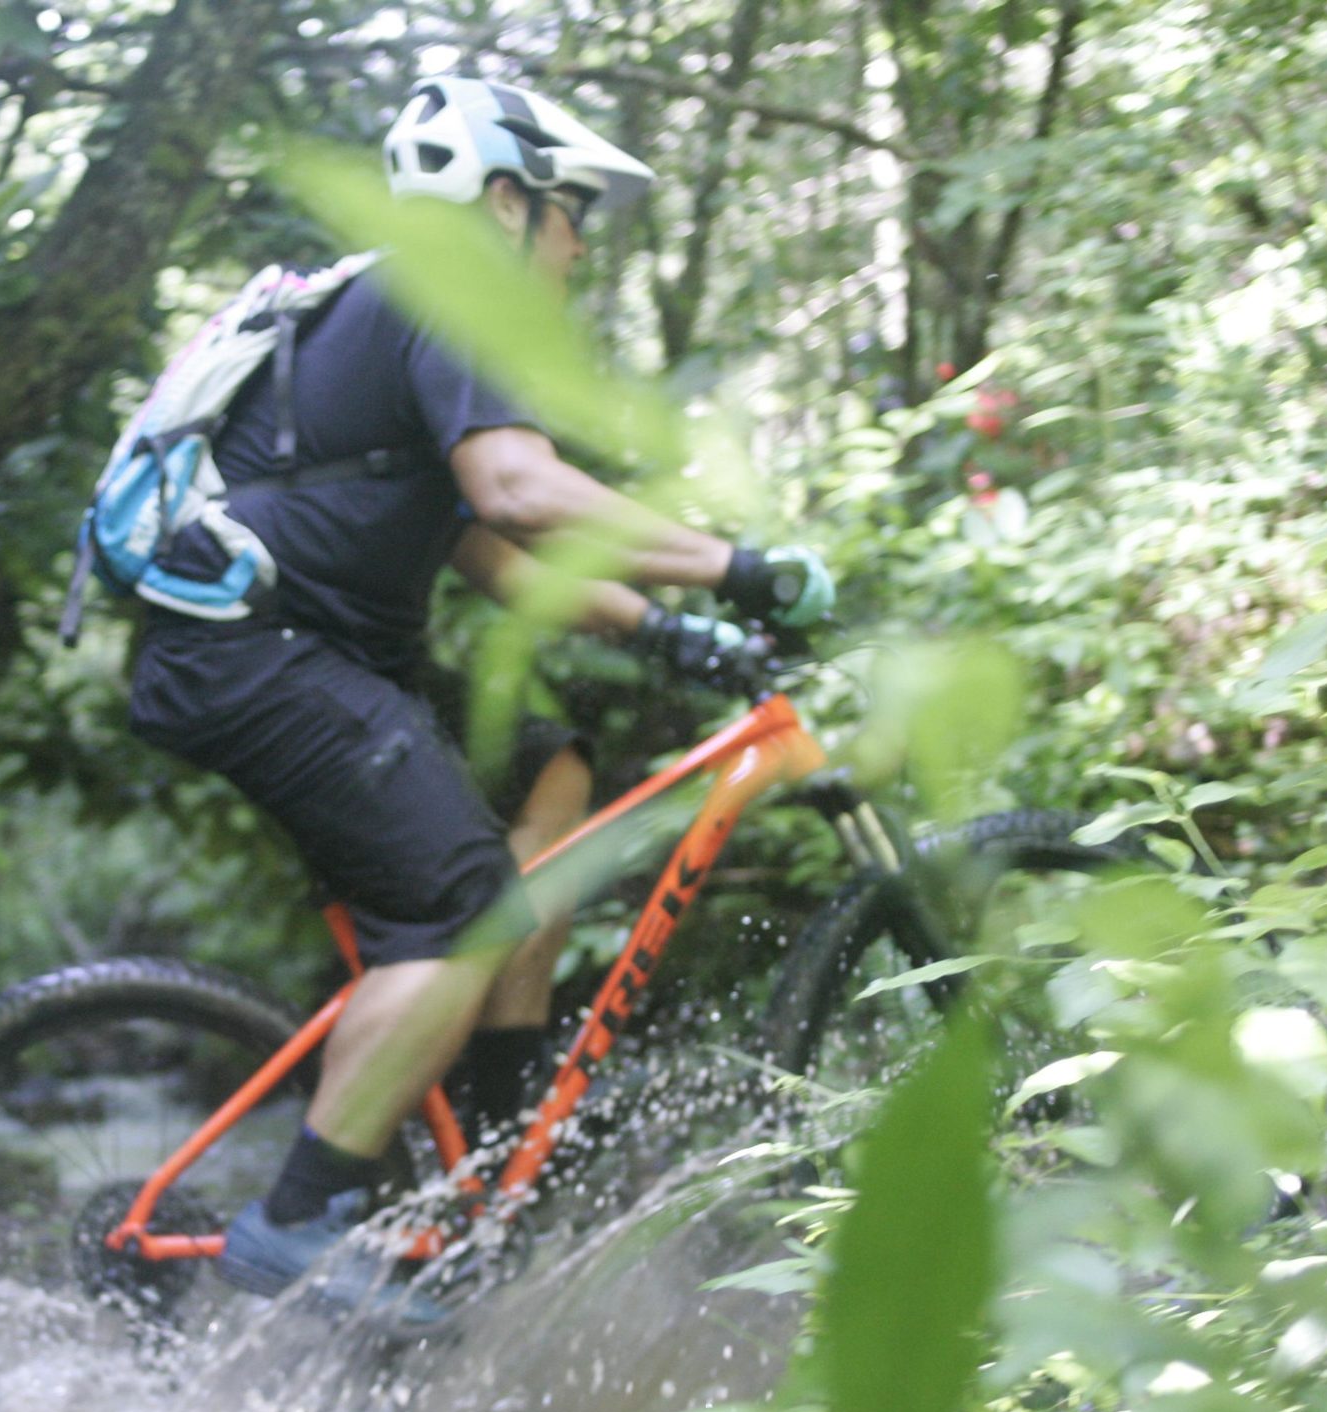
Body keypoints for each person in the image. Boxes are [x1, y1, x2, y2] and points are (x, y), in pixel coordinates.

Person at [124, 76, 833, 1319]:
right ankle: (293, 1216)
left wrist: (672, 632)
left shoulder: (394, 311)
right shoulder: (439, 296)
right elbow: (519, 491)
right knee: (461, 910)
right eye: (571, 214)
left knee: (549, 772)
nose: (576, 243)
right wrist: (736, 564)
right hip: (257, 654)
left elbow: (486, 551)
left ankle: (497, 1159)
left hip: (314, 650)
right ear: (503, 203)